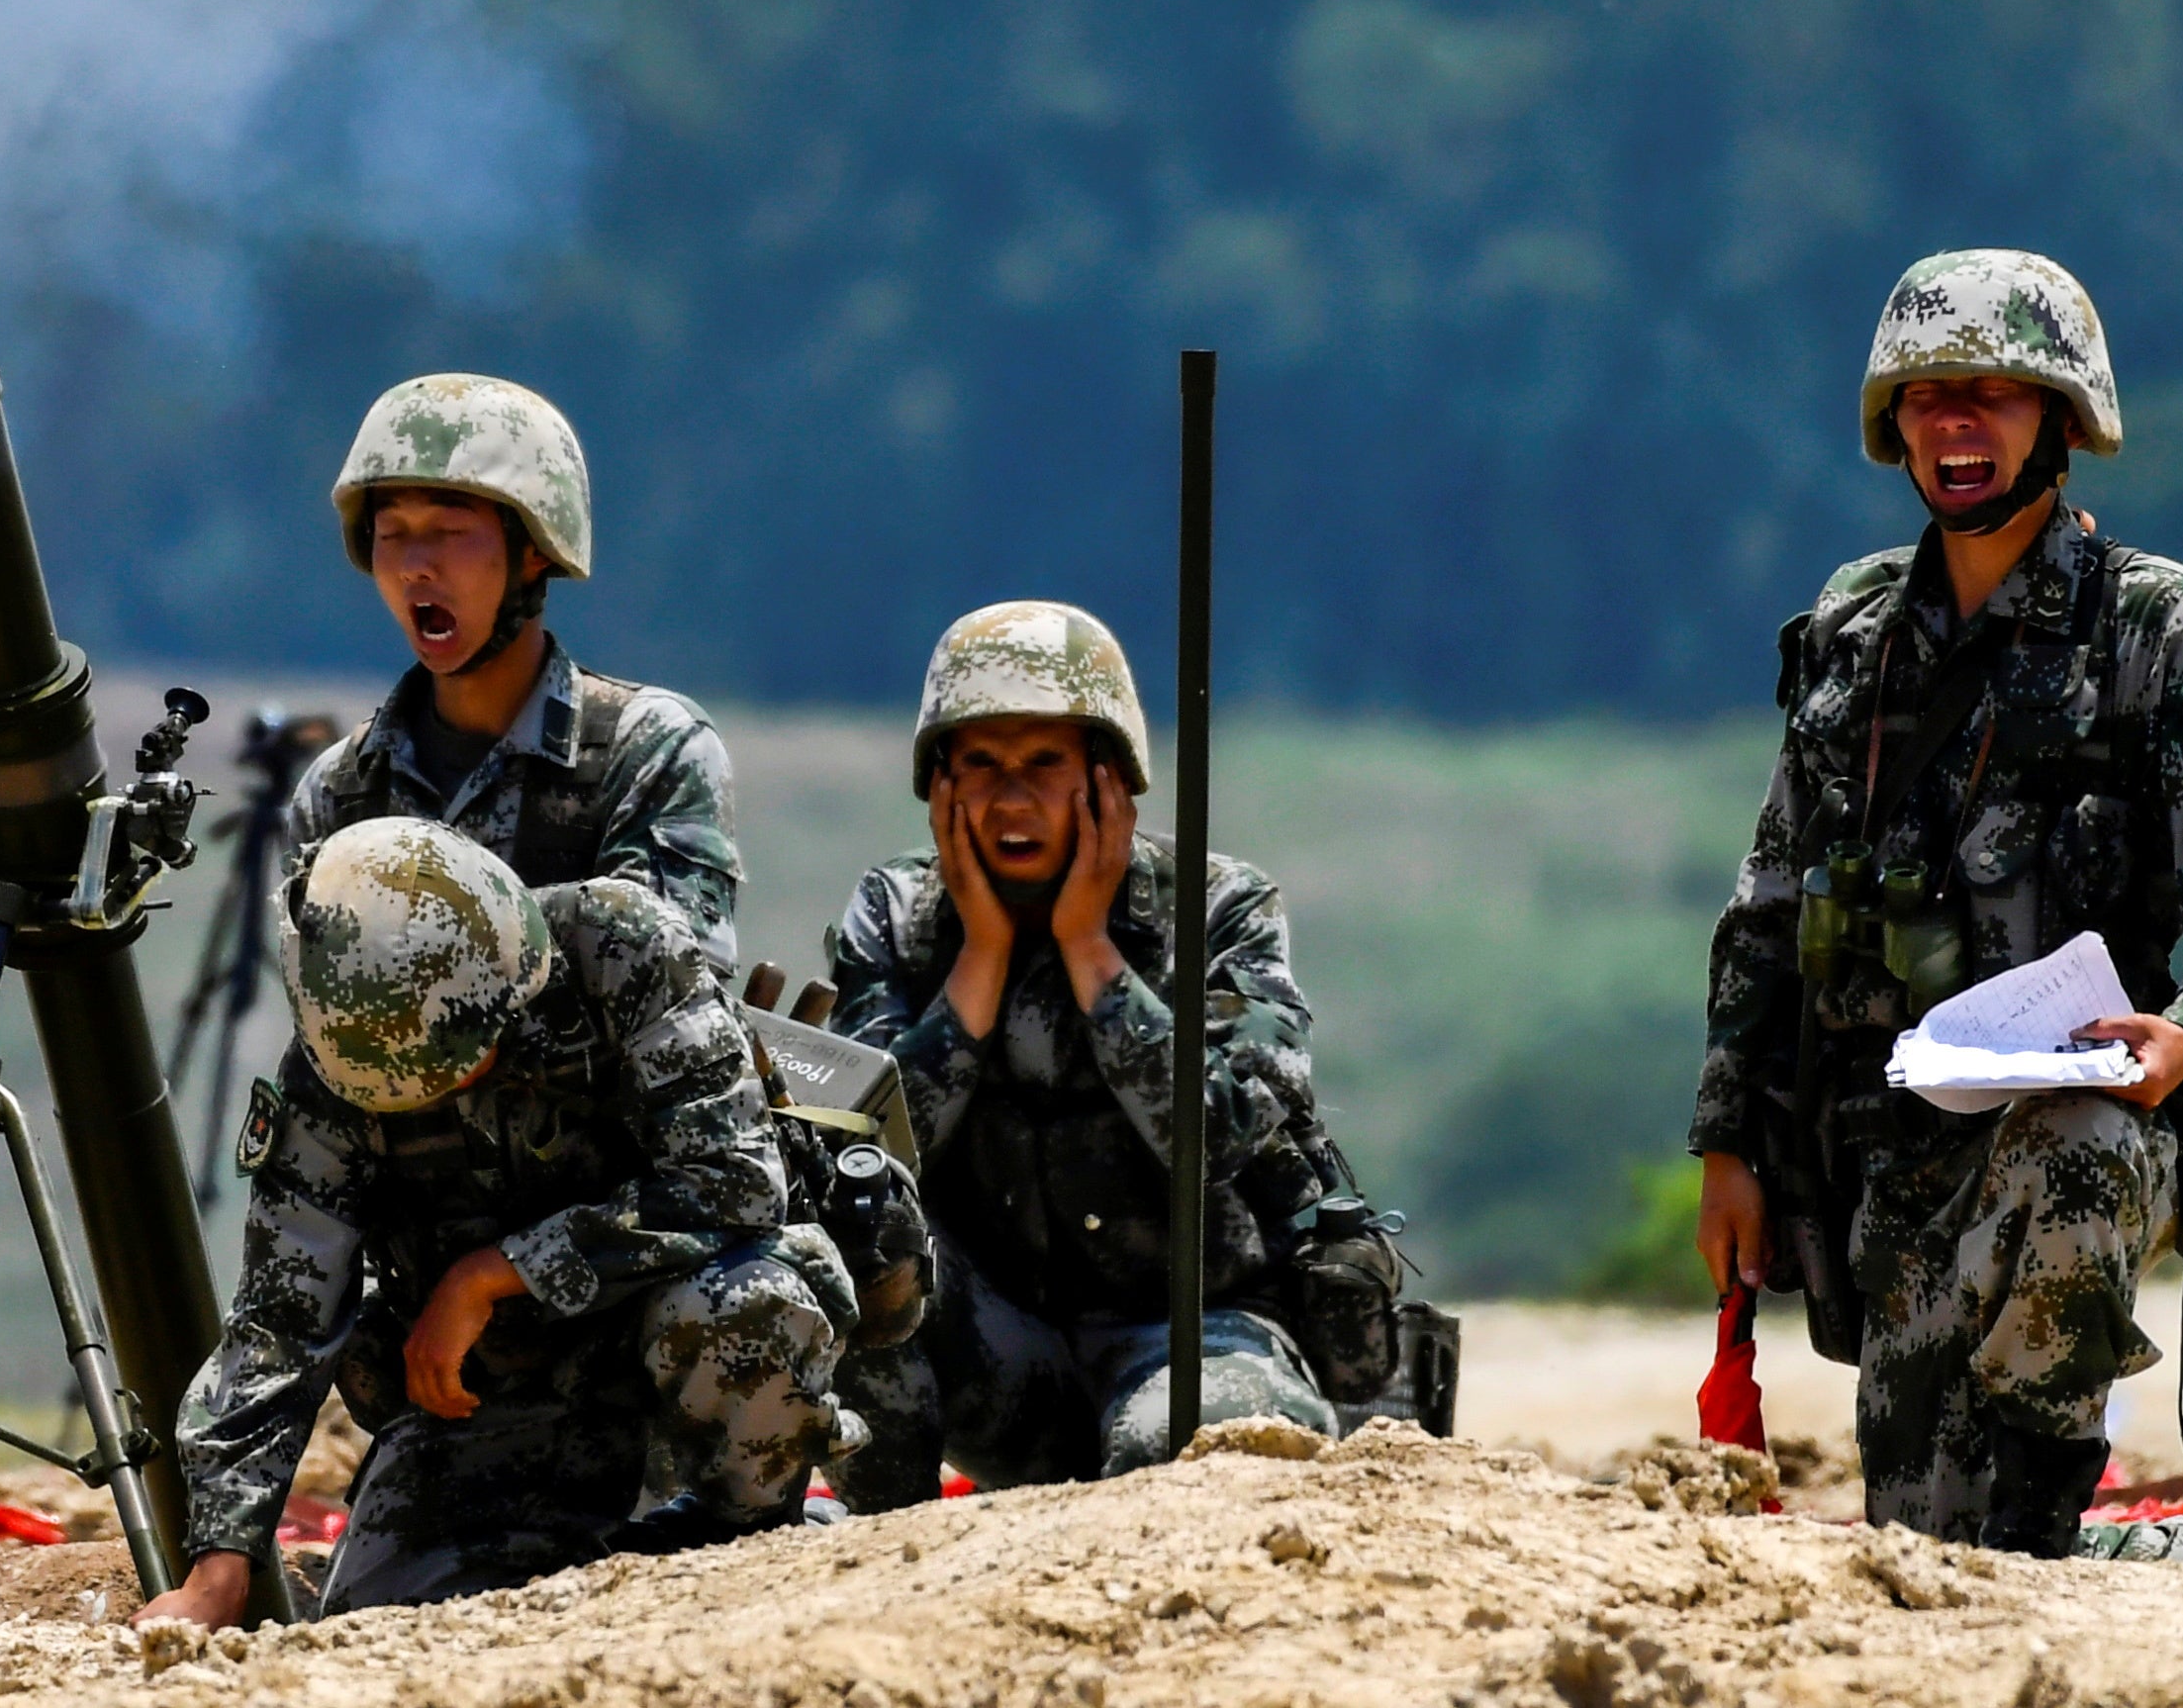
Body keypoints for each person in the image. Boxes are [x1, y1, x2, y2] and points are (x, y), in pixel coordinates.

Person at [1693, 250, 2183, 1558]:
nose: (1957, 421)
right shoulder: (1849, 632)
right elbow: (1768, 900)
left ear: (2060, 417)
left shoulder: (2155, 625)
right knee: (1951, 1545)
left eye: (1995, 392)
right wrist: (1725, 1137)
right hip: (1895, 1144)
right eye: (1929, 392)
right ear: (1890, 419)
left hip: (2106, 1125)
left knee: (2068, 1141)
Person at [142, 818, 855, 1625]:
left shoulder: (619, 948)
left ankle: (753, 1535)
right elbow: (278, 1321)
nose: (437, 1095)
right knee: (371, 1622)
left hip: (670, 1363)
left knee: (744, 1301)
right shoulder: (328, 1078)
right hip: (486, 1394)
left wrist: (491, 1271)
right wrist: (217, 1568)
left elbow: (732, 1180)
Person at [818, 601, 1399, 1495]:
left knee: (1172, 1453)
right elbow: (868, 1149)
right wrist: (980, 954)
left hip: (1194, 1329)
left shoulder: (1217, 909)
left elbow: (1219, 1130)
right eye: (981, 763)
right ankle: (879, 1536)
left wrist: (1090, 947)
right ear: (939, 783)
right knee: (856, 1233)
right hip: (1000, 1349)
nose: (1012, 798)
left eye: (1044, 762)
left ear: (1107, 776)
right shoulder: (899, 914)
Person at [281, 376, 741, 965]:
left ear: (536, 548)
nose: (415, 567)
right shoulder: (339, 792)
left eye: (450, 532)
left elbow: (667, 980)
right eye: (392, 534)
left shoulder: (649, 752)